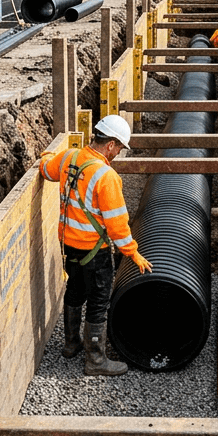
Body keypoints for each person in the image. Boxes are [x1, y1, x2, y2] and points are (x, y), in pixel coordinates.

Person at [39, 115, 153, 376]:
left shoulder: (69, 157)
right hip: (94, 251)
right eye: (119, 148)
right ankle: (95, 360)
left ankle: (71, 344)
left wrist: (46, 154)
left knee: (75, 290)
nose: (118, 154)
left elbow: (45, 170)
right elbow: (117, 225)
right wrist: (132, 254)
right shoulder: (106, 176)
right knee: (99, 301)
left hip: (69, 246)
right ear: (111, 144)